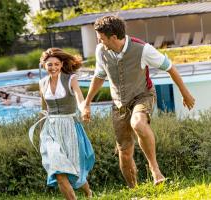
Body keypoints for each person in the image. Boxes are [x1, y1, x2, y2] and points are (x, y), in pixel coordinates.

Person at [82, 16, 195, 188]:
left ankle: (154, 169)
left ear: (113, 37)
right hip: (119, 103)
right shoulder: (101, 51)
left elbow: (170, 67)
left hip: (142, 95)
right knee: (125, 153)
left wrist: (185, 93)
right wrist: (87, 103)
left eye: (101, 38)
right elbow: (99, 76)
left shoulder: (143, 49)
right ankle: (133, 189)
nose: (99, 42)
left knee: (138, 123)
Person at [29, 48, 95, 200]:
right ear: (44, 65)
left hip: (69, 127)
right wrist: (40, 131)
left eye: (56, 64)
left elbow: (79, 97)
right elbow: (44, 108)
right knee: (59, 171)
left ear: (62, 64)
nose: (53, 68)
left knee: (74, 169)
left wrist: (84, 109)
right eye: (49, 65)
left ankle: (88, 193)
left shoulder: (70, 79)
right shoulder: (42, 83)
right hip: (50, 129)